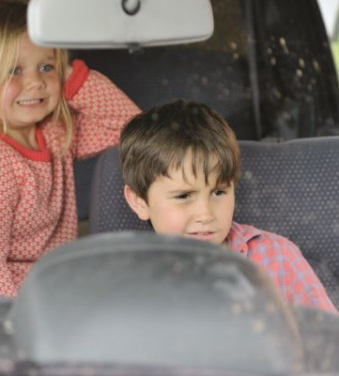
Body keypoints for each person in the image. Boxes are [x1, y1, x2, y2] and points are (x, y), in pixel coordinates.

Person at [0, 0, 141, 297]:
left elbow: (132, 127)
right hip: (17, 302)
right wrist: (16, 317)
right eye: (13, 70)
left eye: (46, 67)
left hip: (58, 286)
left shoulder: (53, 133)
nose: (35, 82)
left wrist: (71, 79)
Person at [120, 99, 336, 313]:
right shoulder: (129, 280)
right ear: (139, 201)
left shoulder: (278, 258)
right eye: (184, 196)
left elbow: (326, 332)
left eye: (218, 192)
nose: (205, 214)